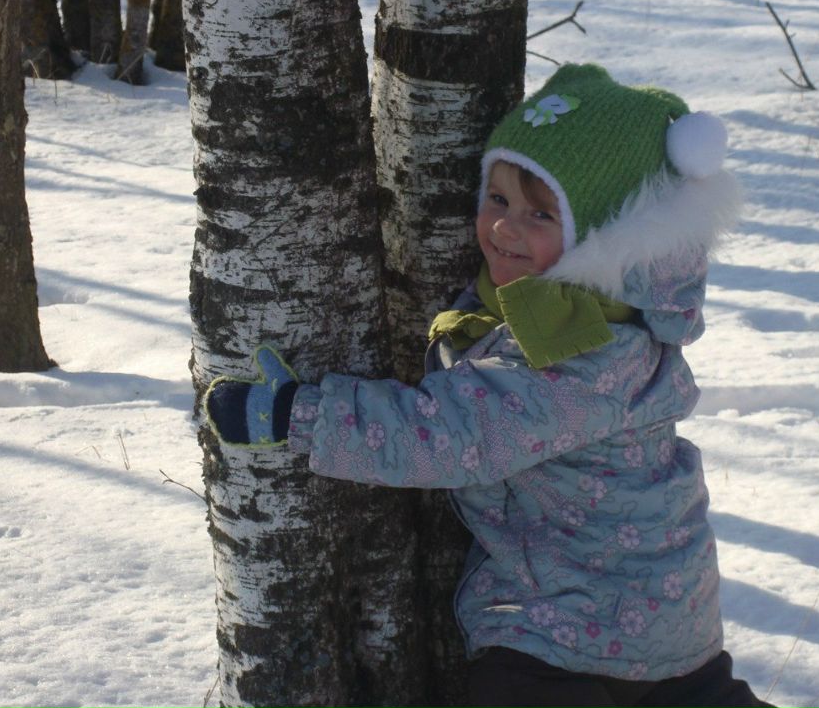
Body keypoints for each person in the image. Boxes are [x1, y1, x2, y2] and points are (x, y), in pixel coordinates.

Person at [205, 64, 773, 708]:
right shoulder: (595, 319)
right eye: (497, 199)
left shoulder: (577, 351)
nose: (505, 227)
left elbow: (454, 434)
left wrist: (301, 415)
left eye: (540, 214)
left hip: (577, 637)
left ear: (606, 235)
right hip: (663, 626)